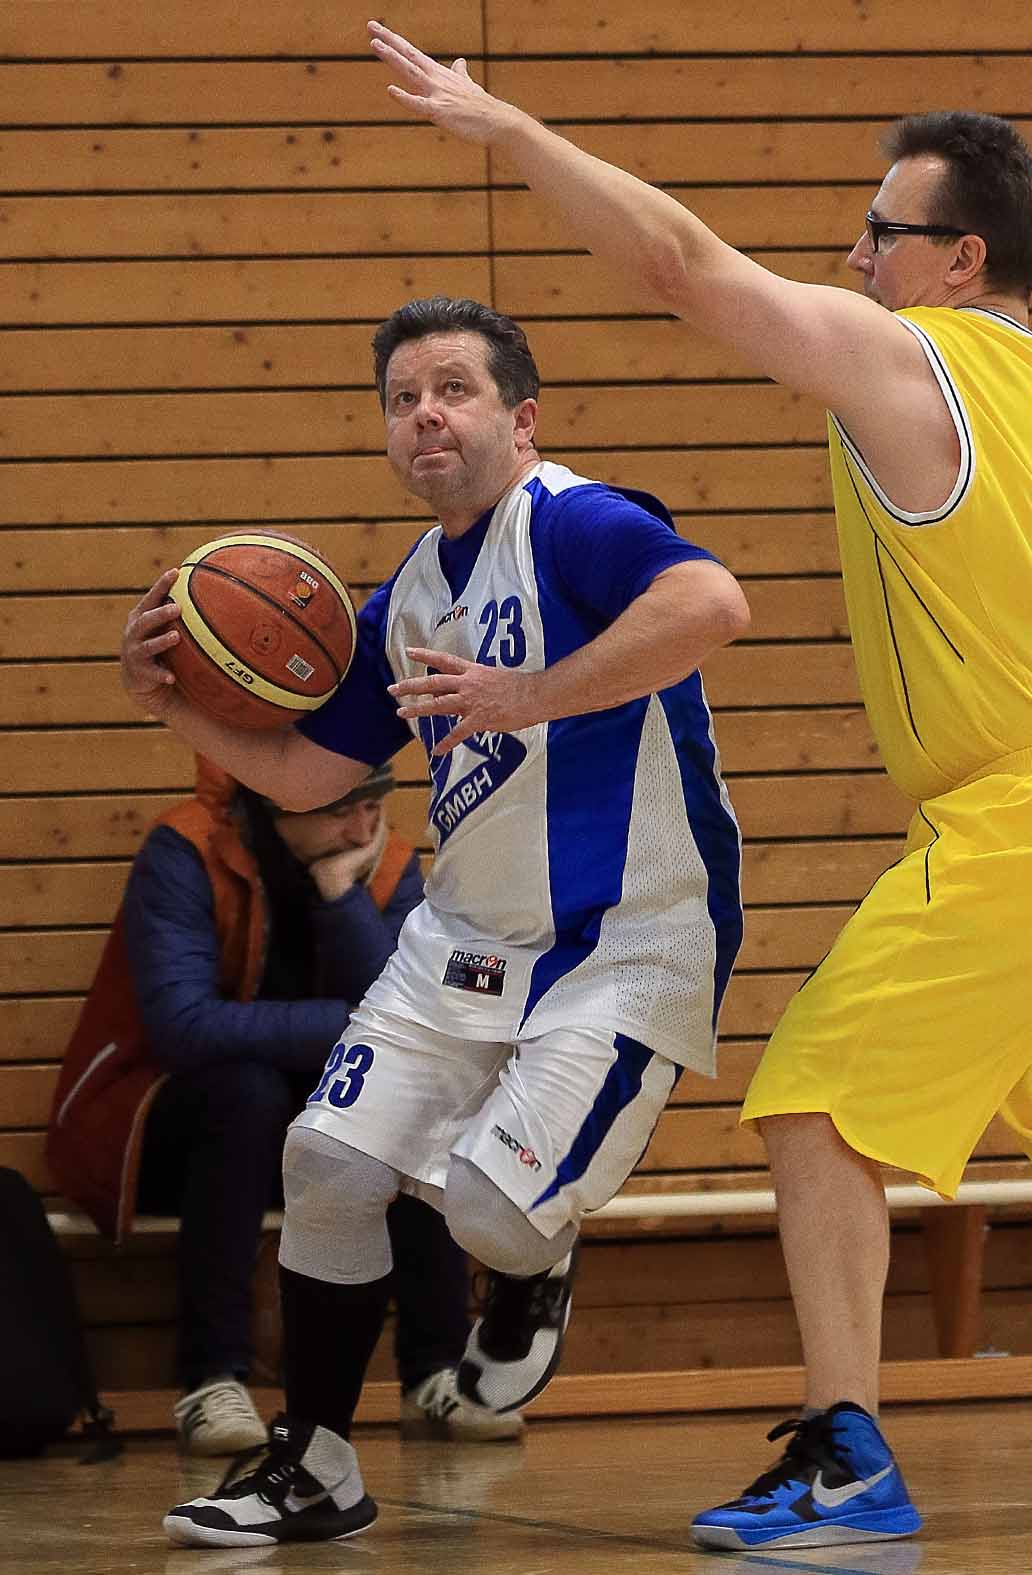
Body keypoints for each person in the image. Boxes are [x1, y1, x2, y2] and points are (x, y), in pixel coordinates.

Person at [364, 22, 1032, 1553]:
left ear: (959, 258)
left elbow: (682, 266)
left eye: (881, 230)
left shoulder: (914, 355)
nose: (855, 254)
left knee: (812, 1105)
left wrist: (513, 132)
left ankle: (846, 1459)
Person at [119, 294, 748, 1546]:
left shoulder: (573, 520)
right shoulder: (405, 596)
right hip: (464, 939)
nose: (424, 416)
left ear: (522, 419)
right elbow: (306, 776)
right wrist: (170, 704)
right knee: (327, 1164)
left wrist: (529, 694)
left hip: (624, 933)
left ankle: (533, 1255)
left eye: (452, 390)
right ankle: (315, 1467)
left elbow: (712, 606)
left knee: (490, 1216)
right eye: (402, 399)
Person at [47, 756, 521, 1454]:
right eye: (340, 810)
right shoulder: (186, 849)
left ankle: (435, 1372)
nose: (362, 827)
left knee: (415, 1093)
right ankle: (210, 1380)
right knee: (247, 1092)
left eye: (374, 805)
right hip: (162, 1130)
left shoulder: (383, 863)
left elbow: (414, 1022)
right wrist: (355, 1021)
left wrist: (342, 895)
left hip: (307, 1132)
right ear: (280, 800)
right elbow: (185, 1027)